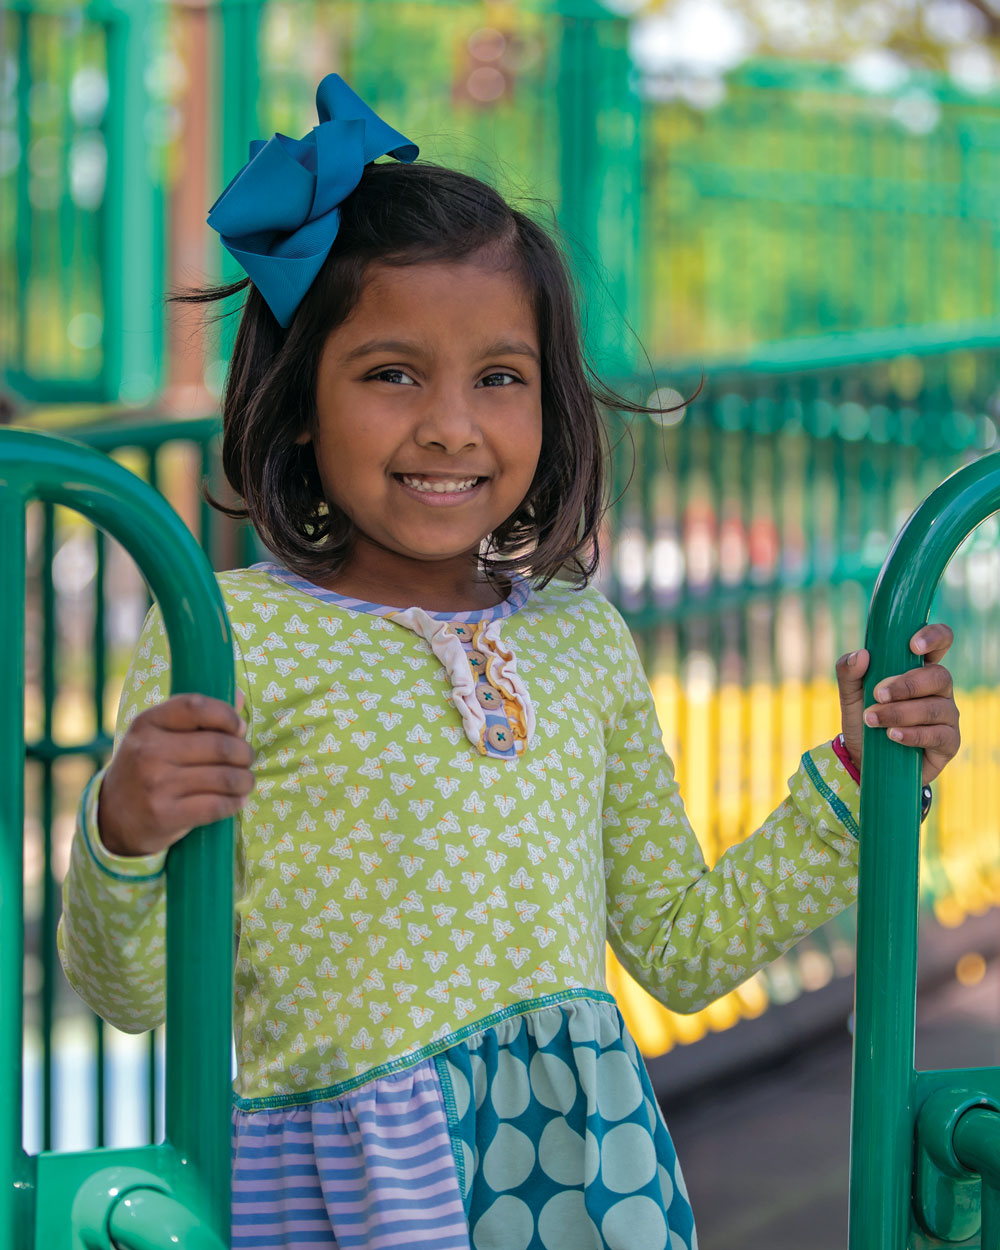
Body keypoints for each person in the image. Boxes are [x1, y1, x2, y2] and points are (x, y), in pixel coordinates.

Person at [58, 75, 961, 1250]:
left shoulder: (579, 635)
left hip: (580, 1172)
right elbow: (129, 994)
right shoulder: (227, 640)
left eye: (499, 376)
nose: (451, 424)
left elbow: (683, 950)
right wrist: (122, 830)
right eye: (392, 374)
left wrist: (859, 771)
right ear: (295, 406)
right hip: (350, 1194)